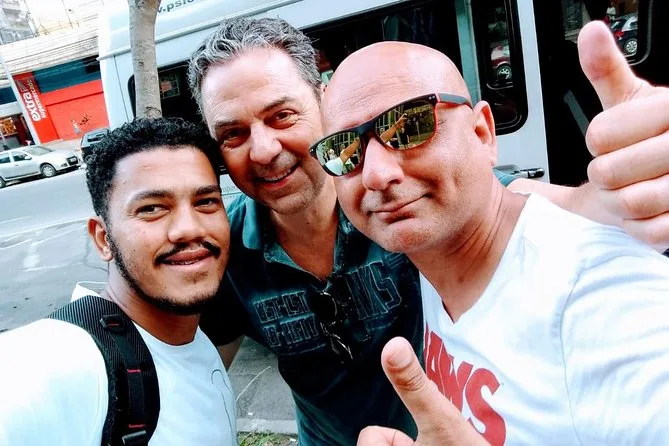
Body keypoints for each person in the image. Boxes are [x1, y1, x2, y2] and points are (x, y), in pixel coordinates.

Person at [187, 17, 669, 445]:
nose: (263, 149)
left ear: (322, 104)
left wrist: (624, 191)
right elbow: (196, 363)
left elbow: (520, 205)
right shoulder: (227, 249)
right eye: (233, 134)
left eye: (282, 116)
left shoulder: (407, 213)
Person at [0, 118, 237, 445]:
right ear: (103, 239)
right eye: (152, 208)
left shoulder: (190, 339)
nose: (189, 228)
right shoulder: (63, 363)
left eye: (206, 202)